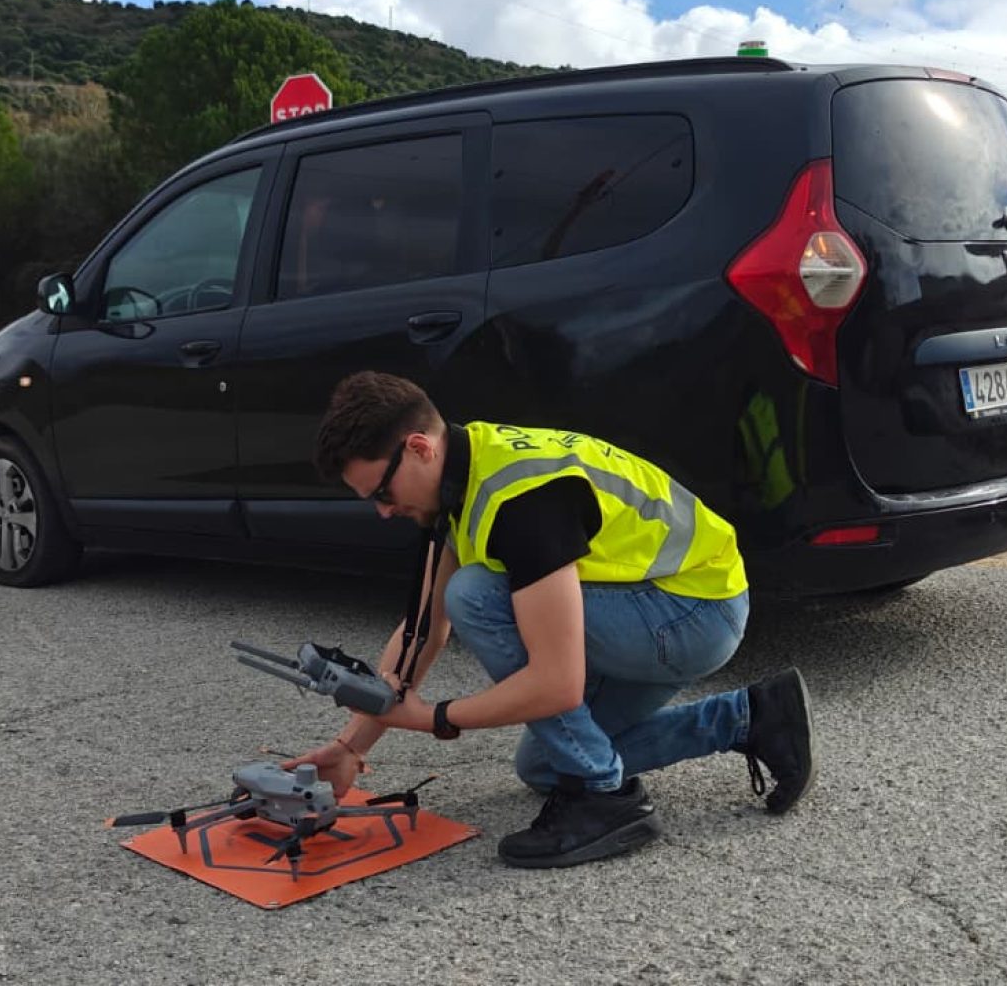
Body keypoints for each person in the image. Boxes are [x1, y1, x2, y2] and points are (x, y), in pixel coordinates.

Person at [285, 371, 814, 869]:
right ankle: (752, 716)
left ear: (419, 448)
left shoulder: (520, 500)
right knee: (542, 766)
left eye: (382, 492)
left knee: (474, 595)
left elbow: (558, 686)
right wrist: (352, 746)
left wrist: (435, 717)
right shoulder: (462, 474)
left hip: (692, 612)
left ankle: (606, 800)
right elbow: (423, 629)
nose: (382, 511)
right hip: (660, 605)